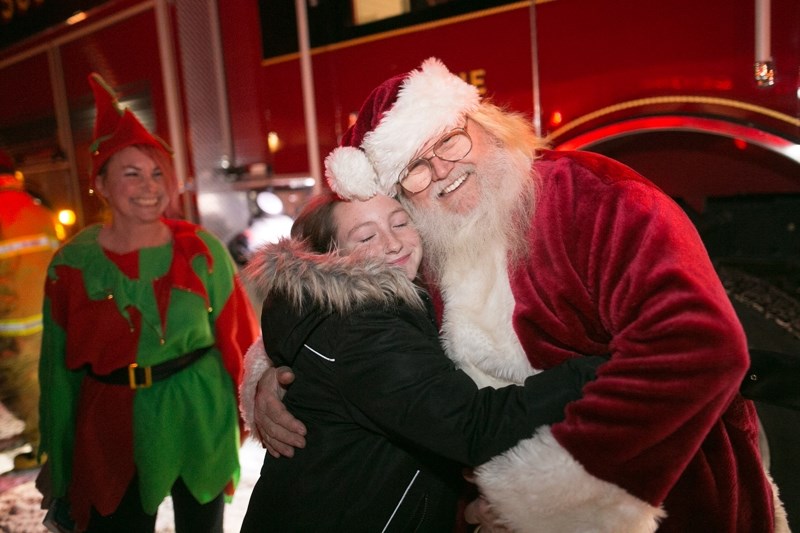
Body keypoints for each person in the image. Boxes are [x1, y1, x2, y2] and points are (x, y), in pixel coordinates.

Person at [249, 57, 789, 532]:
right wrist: (275, 372)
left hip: (661, 500)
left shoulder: (596, 199)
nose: (442, 170)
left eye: (449, 139)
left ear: (486, 124)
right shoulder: (413, 244)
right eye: (414, 167)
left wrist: (548, 503)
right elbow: (323, 281)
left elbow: (700, 346)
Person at [238, 191, 604, 532]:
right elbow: (472, 427)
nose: (393, 242)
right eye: (366, 237)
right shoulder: (362, 328)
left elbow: (402, 439)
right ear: (327, 257)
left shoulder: (342, 307)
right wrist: (599, 371)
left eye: (400, 222)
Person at [37, 73, 259, 532]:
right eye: (131, 173)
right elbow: (57, 372)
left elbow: (240, 341)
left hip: (198, 413)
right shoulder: (71, 266)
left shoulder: (201, 250)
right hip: (113, 424)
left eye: (158, 172)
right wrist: (59, 459)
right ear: (100, 182)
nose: (149, 185)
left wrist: (256, 410)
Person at [0, 149, 61, 471]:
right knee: (41, 381)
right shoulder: (37, 207)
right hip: (44, 313)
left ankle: (44, 449)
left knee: (22, 385)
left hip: (12, 321)